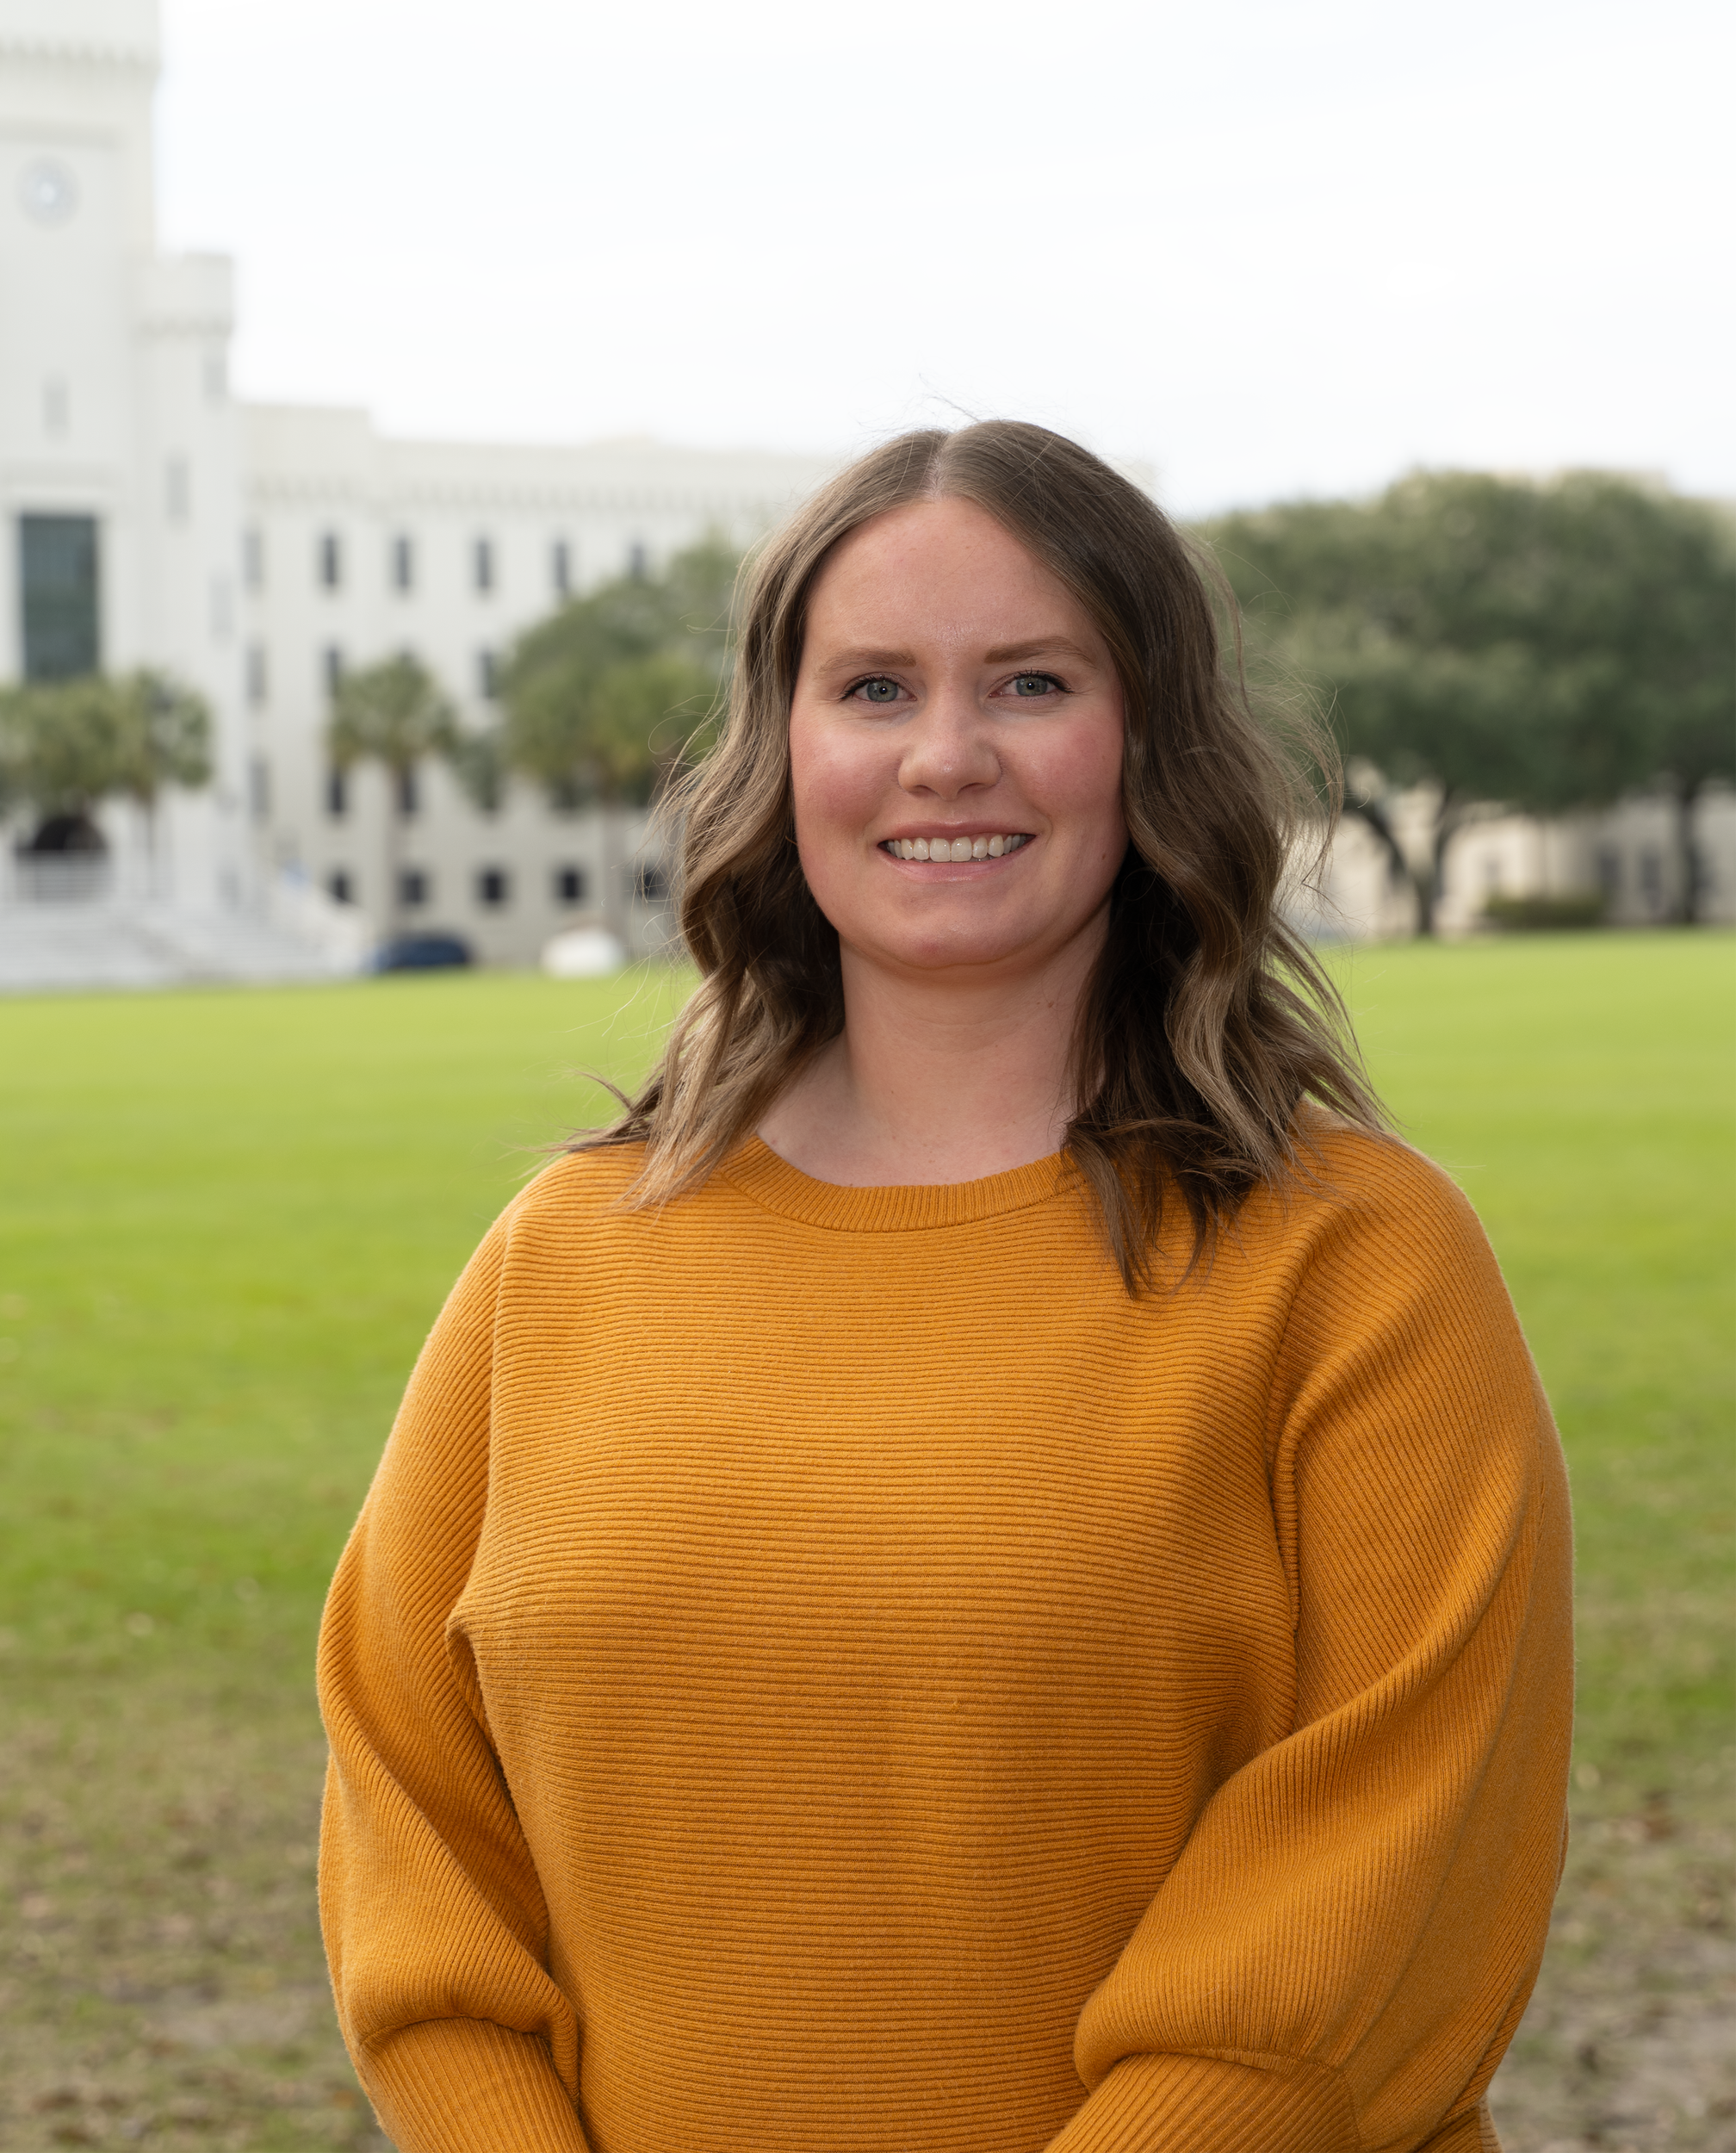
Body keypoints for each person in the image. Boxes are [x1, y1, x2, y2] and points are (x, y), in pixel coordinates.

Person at [315, 422, 1572, 2153]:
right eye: (874, 690)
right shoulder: (564, 1253)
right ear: (784, 751)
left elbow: (1376, 1886)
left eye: (1032, 682)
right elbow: (412, 1818)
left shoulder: (1353, 1259)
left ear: (1149, 741)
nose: (947, 757)